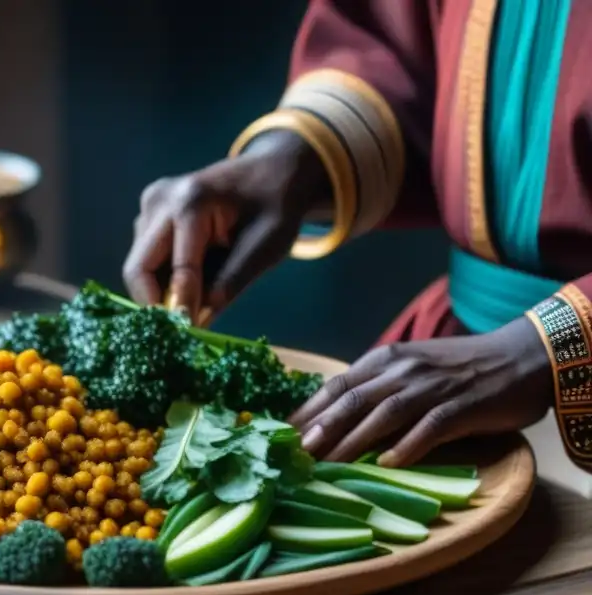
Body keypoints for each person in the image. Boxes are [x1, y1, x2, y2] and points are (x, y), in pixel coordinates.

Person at [123, 0, 592, 471]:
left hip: (500, 374)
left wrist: (549, 347)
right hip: (446, 372)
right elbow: (394, 36)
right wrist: (292, 157)